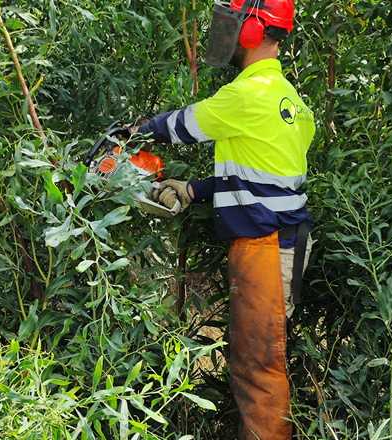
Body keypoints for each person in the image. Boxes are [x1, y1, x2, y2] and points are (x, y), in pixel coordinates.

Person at [131, 1, 315, 438]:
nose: (226, 33)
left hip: (265, 247)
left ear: (254, 30)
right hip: (279, 240)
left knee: (258, 367)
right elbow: (259, 175)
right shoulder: (287, 98)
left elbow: (181, 125)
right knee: (261, 357)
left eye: (233, 23)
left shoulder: (247, 94)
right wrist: (193, 190)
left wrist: (131, 133)